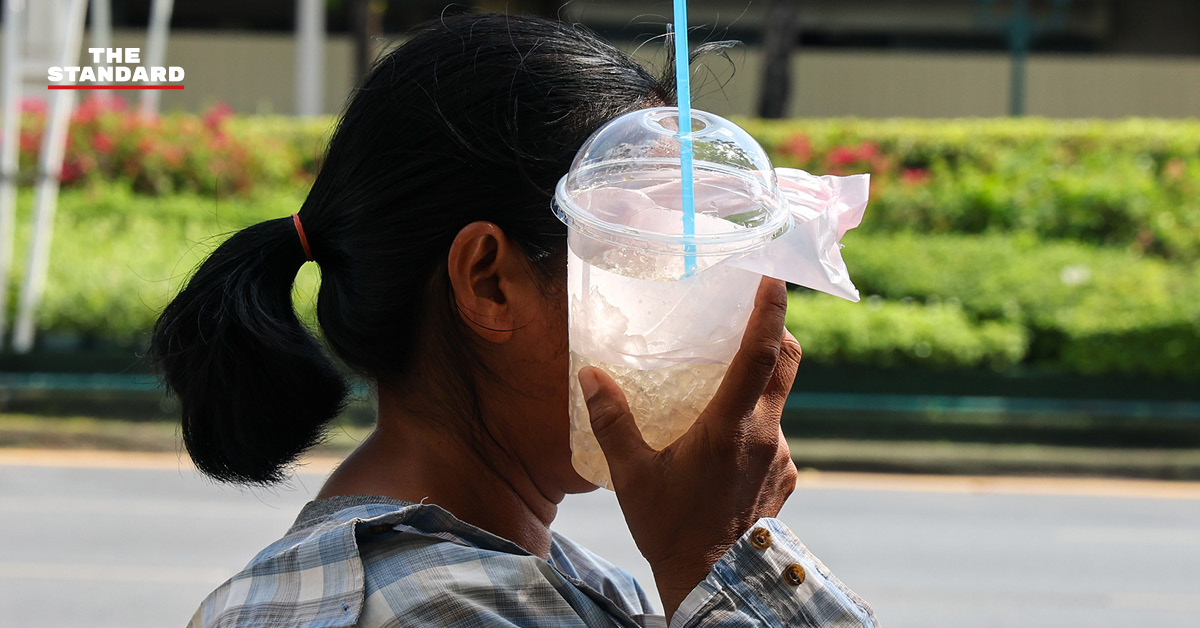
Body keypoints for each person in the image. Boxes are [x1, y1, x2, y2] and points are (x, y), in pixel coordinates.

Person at [151, 13, 879, 628]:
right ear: (489, 283)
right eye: (639, 252)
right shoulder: (448, 611)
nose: (691, 302)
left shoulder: (558, 585)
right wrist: (717, 554)